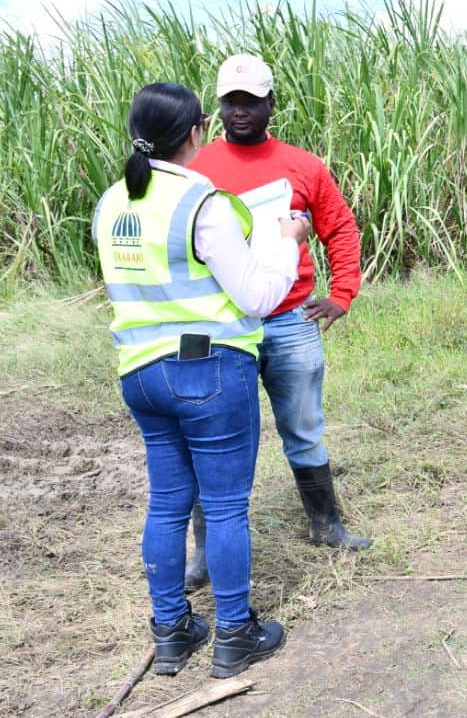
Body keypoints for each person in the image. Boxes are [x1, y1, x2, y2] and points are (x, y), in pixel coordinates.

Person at [93, 83, 310, 677]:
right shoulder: (202, 202)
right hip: (209, 369)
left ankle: (172, 631)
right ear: (194, 134)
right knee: (225, 506)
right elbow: (259, 297)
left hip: (140, 374)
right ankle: (235, 633)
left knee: (166, 504)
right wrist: (288, 243)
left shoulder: (111, 202)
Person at [184, 53, 369, 594]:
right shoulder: (196, 170)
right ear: (218, 107)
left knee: (304, 426)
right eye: (229, 102)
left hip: (289, 320)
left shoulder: (303, 166)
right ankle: (203, 556)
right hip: (223, 327)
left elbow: (340, 228)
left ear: (269, 104)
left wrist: (341, 295)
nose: (239, 111)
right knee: (211, 439)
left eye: (250, 101)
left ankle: (325, 524)